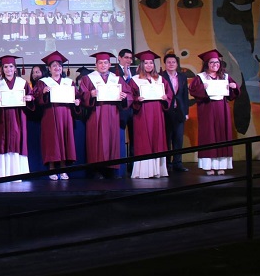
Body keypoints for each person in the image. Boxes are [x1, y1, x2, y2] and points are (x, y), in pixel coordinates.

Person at [78, 52, 131, 179]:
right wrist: (90, 94)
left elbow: (128, 94)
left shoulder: (116, 78)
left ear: (110, 64)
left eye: (105, 63)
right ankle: (96, 170)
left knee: (112, 140)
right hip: (96, 113)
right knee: (96, 141)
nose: (103, 65)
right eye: (100, 63)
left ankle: (111, 169)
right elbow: (81, 95)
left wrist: (124, 97)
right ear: (96, 64)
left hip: (113, 113)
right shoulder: (88, 78)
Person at [189, 49, 240, 175]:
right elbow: (193, 91)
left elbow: (233, 93)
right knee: (209, 135)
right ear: (206, 64)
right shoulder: (200, 78)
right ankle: (209, 166)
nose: (215, 65)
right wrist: (202, 88)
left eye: (217, 63)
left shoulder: (225, 77)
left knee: (222, 135)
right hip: (207, 109)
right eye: (211, 63)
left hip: (222, 109)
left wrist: (234, 87)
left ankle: (221, 165)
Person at [33, 51, 79, 180]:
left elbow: (77, 96)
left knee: (65, 139)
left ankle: (64, 169)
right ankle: (52, 169)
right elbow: (37, 98)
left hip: (66, 115)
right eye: (54, 66)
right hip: (50, 115)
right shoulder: (43, 82)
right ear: (49, 68)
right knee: (52, 140)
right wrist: (43, 92)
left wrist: (77, 101)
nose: (57, 68)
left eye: (59, 65)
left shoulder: (68, 82)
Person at [128, 50, 173, 178]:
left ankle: (158, 170)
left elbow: (169, 94)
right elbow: (130, 96)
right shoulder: (134, 80)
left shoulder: (160, 79)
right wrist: (137, 99)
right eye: (146, 63)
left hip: (157, 113)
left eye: (151, 63)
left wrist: (166, 97)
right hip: (142, 113)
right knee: (144, 139)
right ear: (141, 64)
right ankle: (144, 171)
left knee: (157, 138)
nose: (149, 65)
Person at [0, 55, 32, 179]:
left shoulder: (22, 82)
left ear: (15, 68)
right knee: (2, 141)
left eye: (11, 67)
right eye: (5, 67)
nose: (8, 69)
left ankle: (17, 173)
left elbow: (31, 97)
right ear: (2, 69)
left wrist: (30, 98)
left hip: (18, 117)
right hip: (2, 118)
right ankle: (2, 173)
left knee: (17, 141)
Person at [160, 53, 190, 172]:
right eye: (168, 62)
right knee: (167, 138)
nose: (171, 64)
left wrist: (186, 112)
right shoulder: (160, 77)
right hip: (166, 111)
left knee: (178, 139)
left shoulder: (182, 77)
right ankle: (167, 164)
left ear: (177, 64)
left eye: (173, 62)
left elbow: (185, 96)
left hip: (179, 112)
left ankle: (178, 163)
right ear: (165, 64)